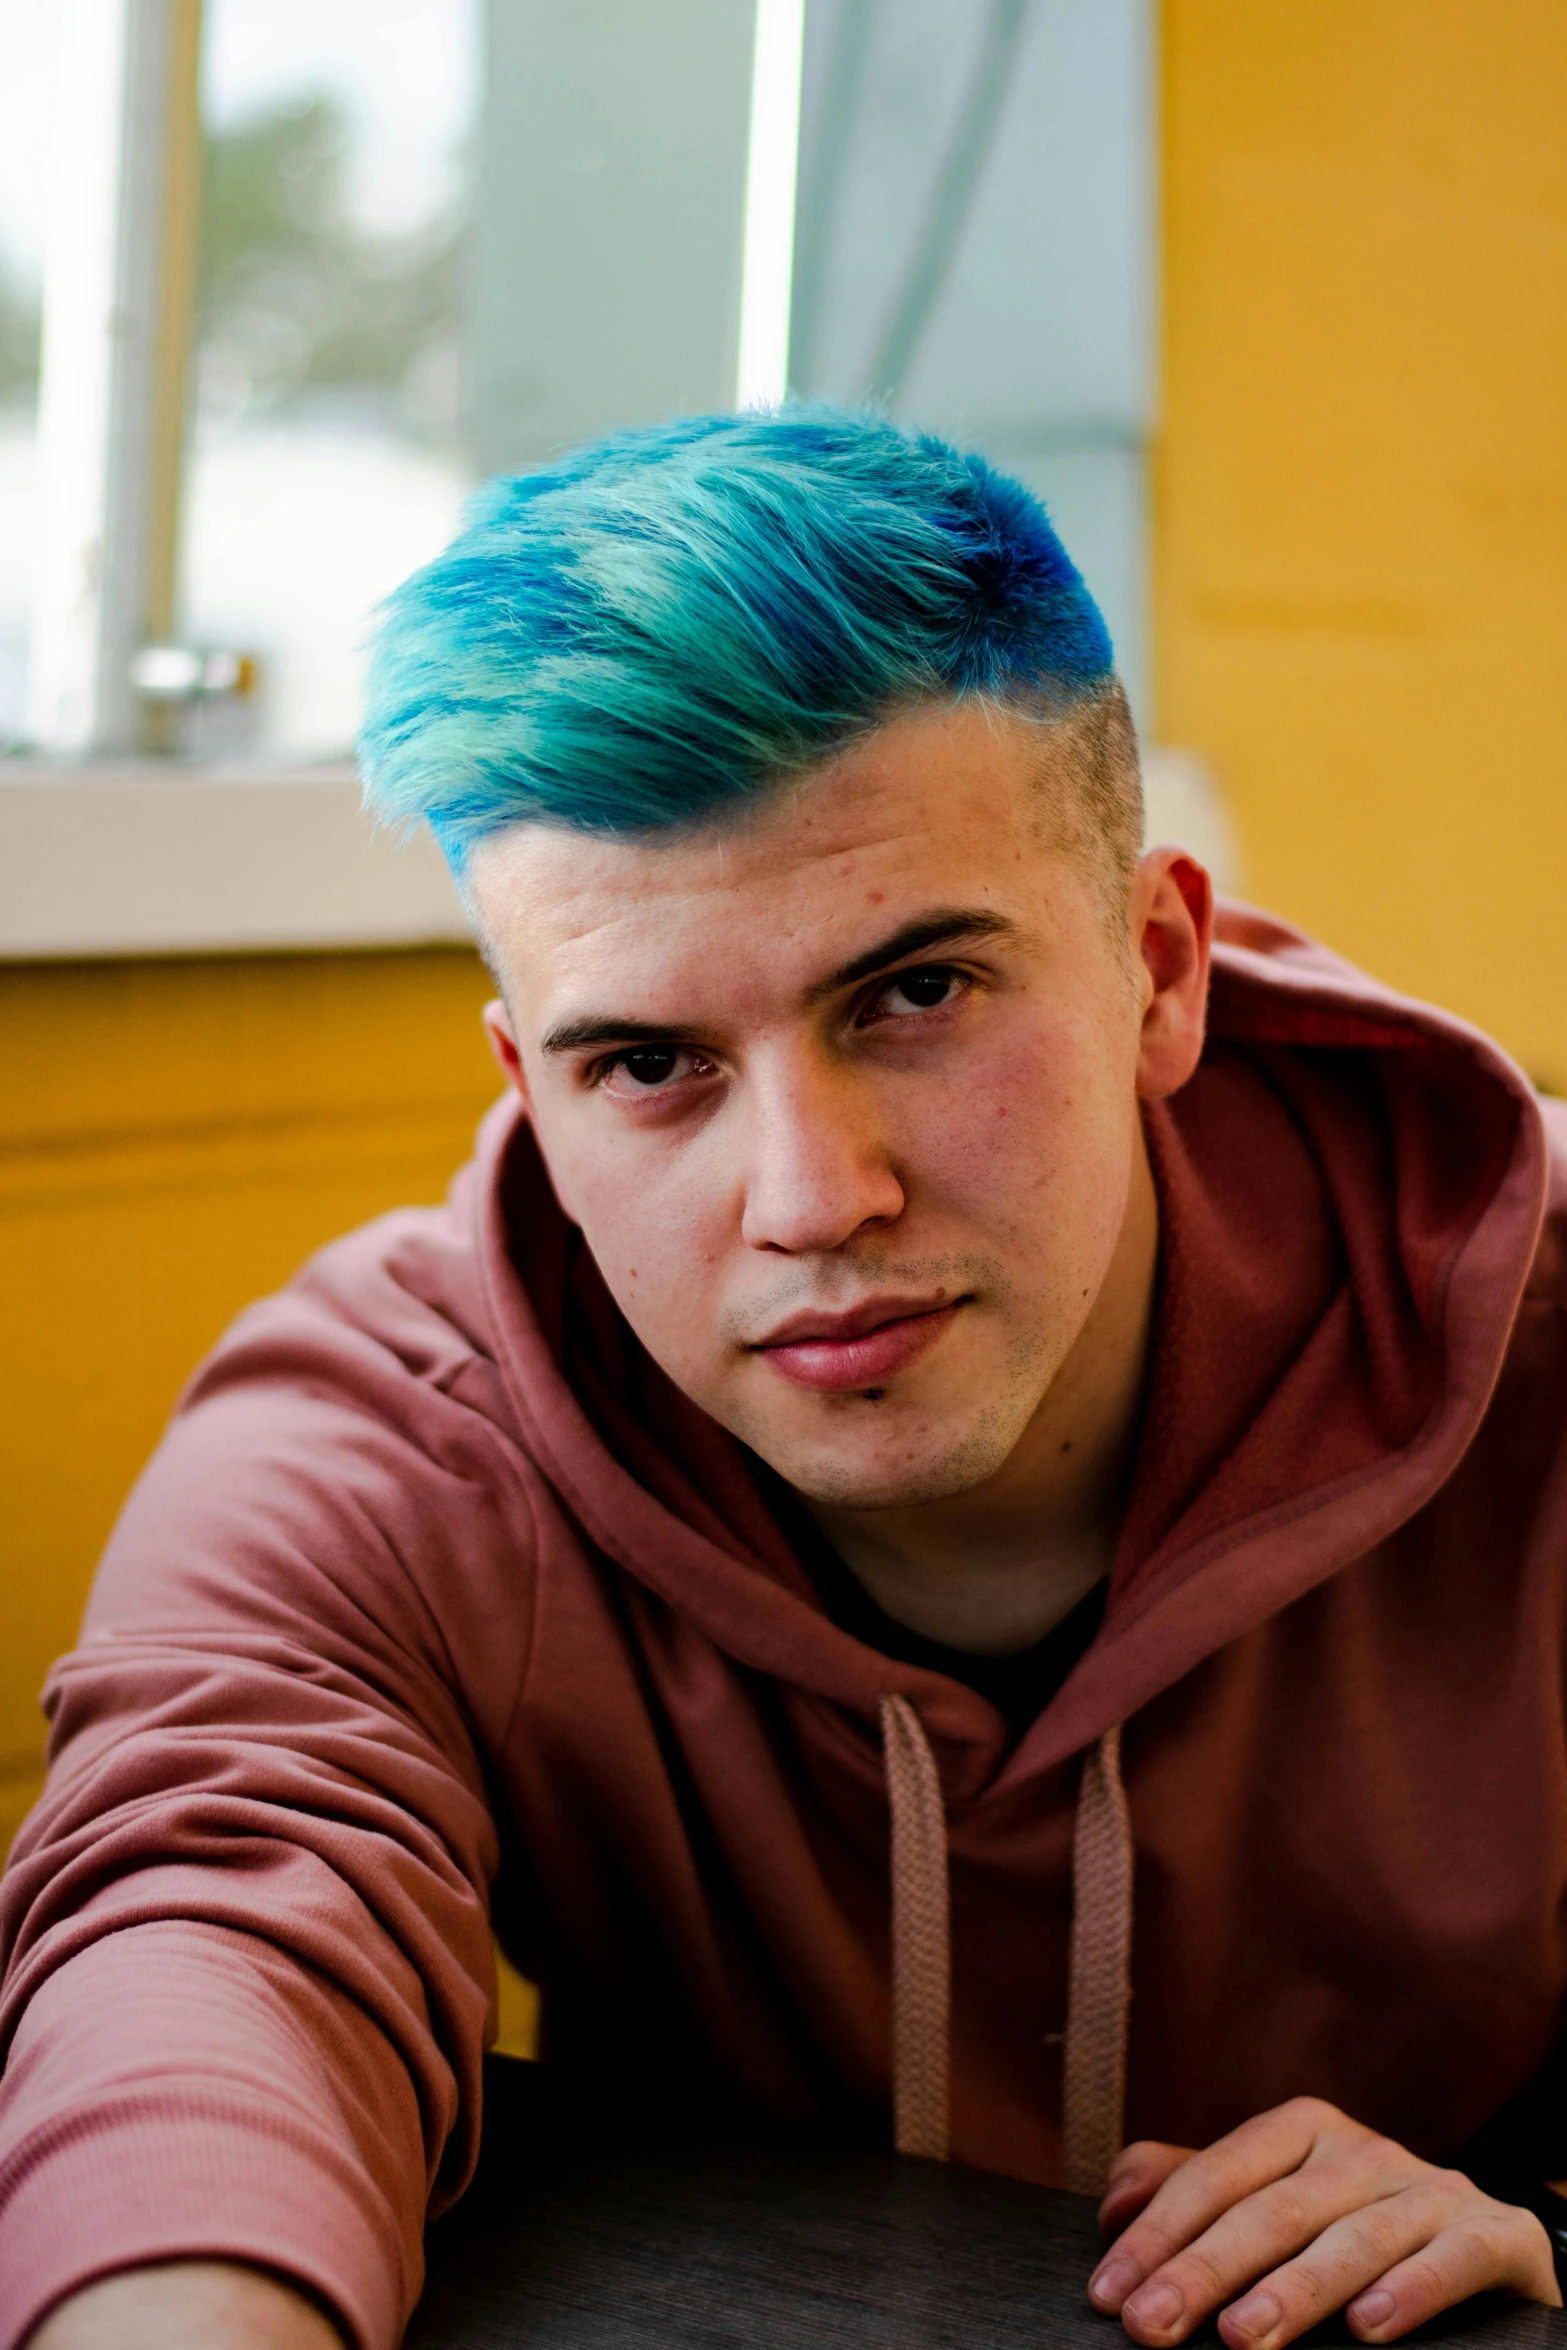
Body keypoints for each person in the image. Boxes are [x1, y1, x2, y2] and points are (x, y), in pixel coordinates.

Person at [3, 408, 1566, 2350]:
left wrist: (1560, 2226)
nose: (814, 1201)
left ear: (1159, 968)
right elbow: (203, 1923)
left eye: (914, 994)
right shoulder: (393, 1431)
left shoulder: (1545, 1333)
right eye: (649, 1063)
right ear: (534, 1098)